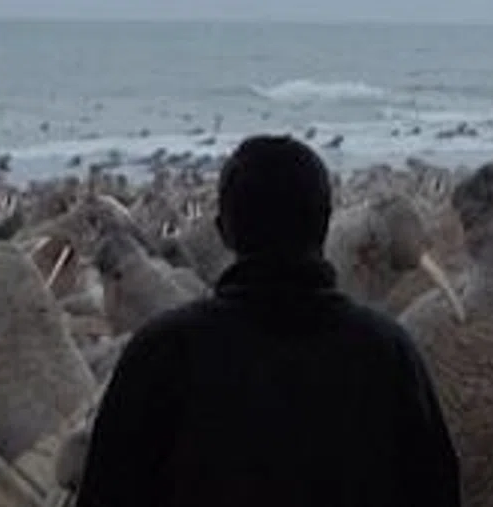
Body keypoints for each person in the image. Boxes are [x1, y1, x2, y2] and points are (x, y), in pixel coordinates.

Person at [76, 135, 460, 507]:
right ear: (325, 224)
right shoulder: (388, 352)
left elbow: (105, 493)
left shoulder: (161, 351)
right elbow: (437, 490)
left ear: (224, 230)